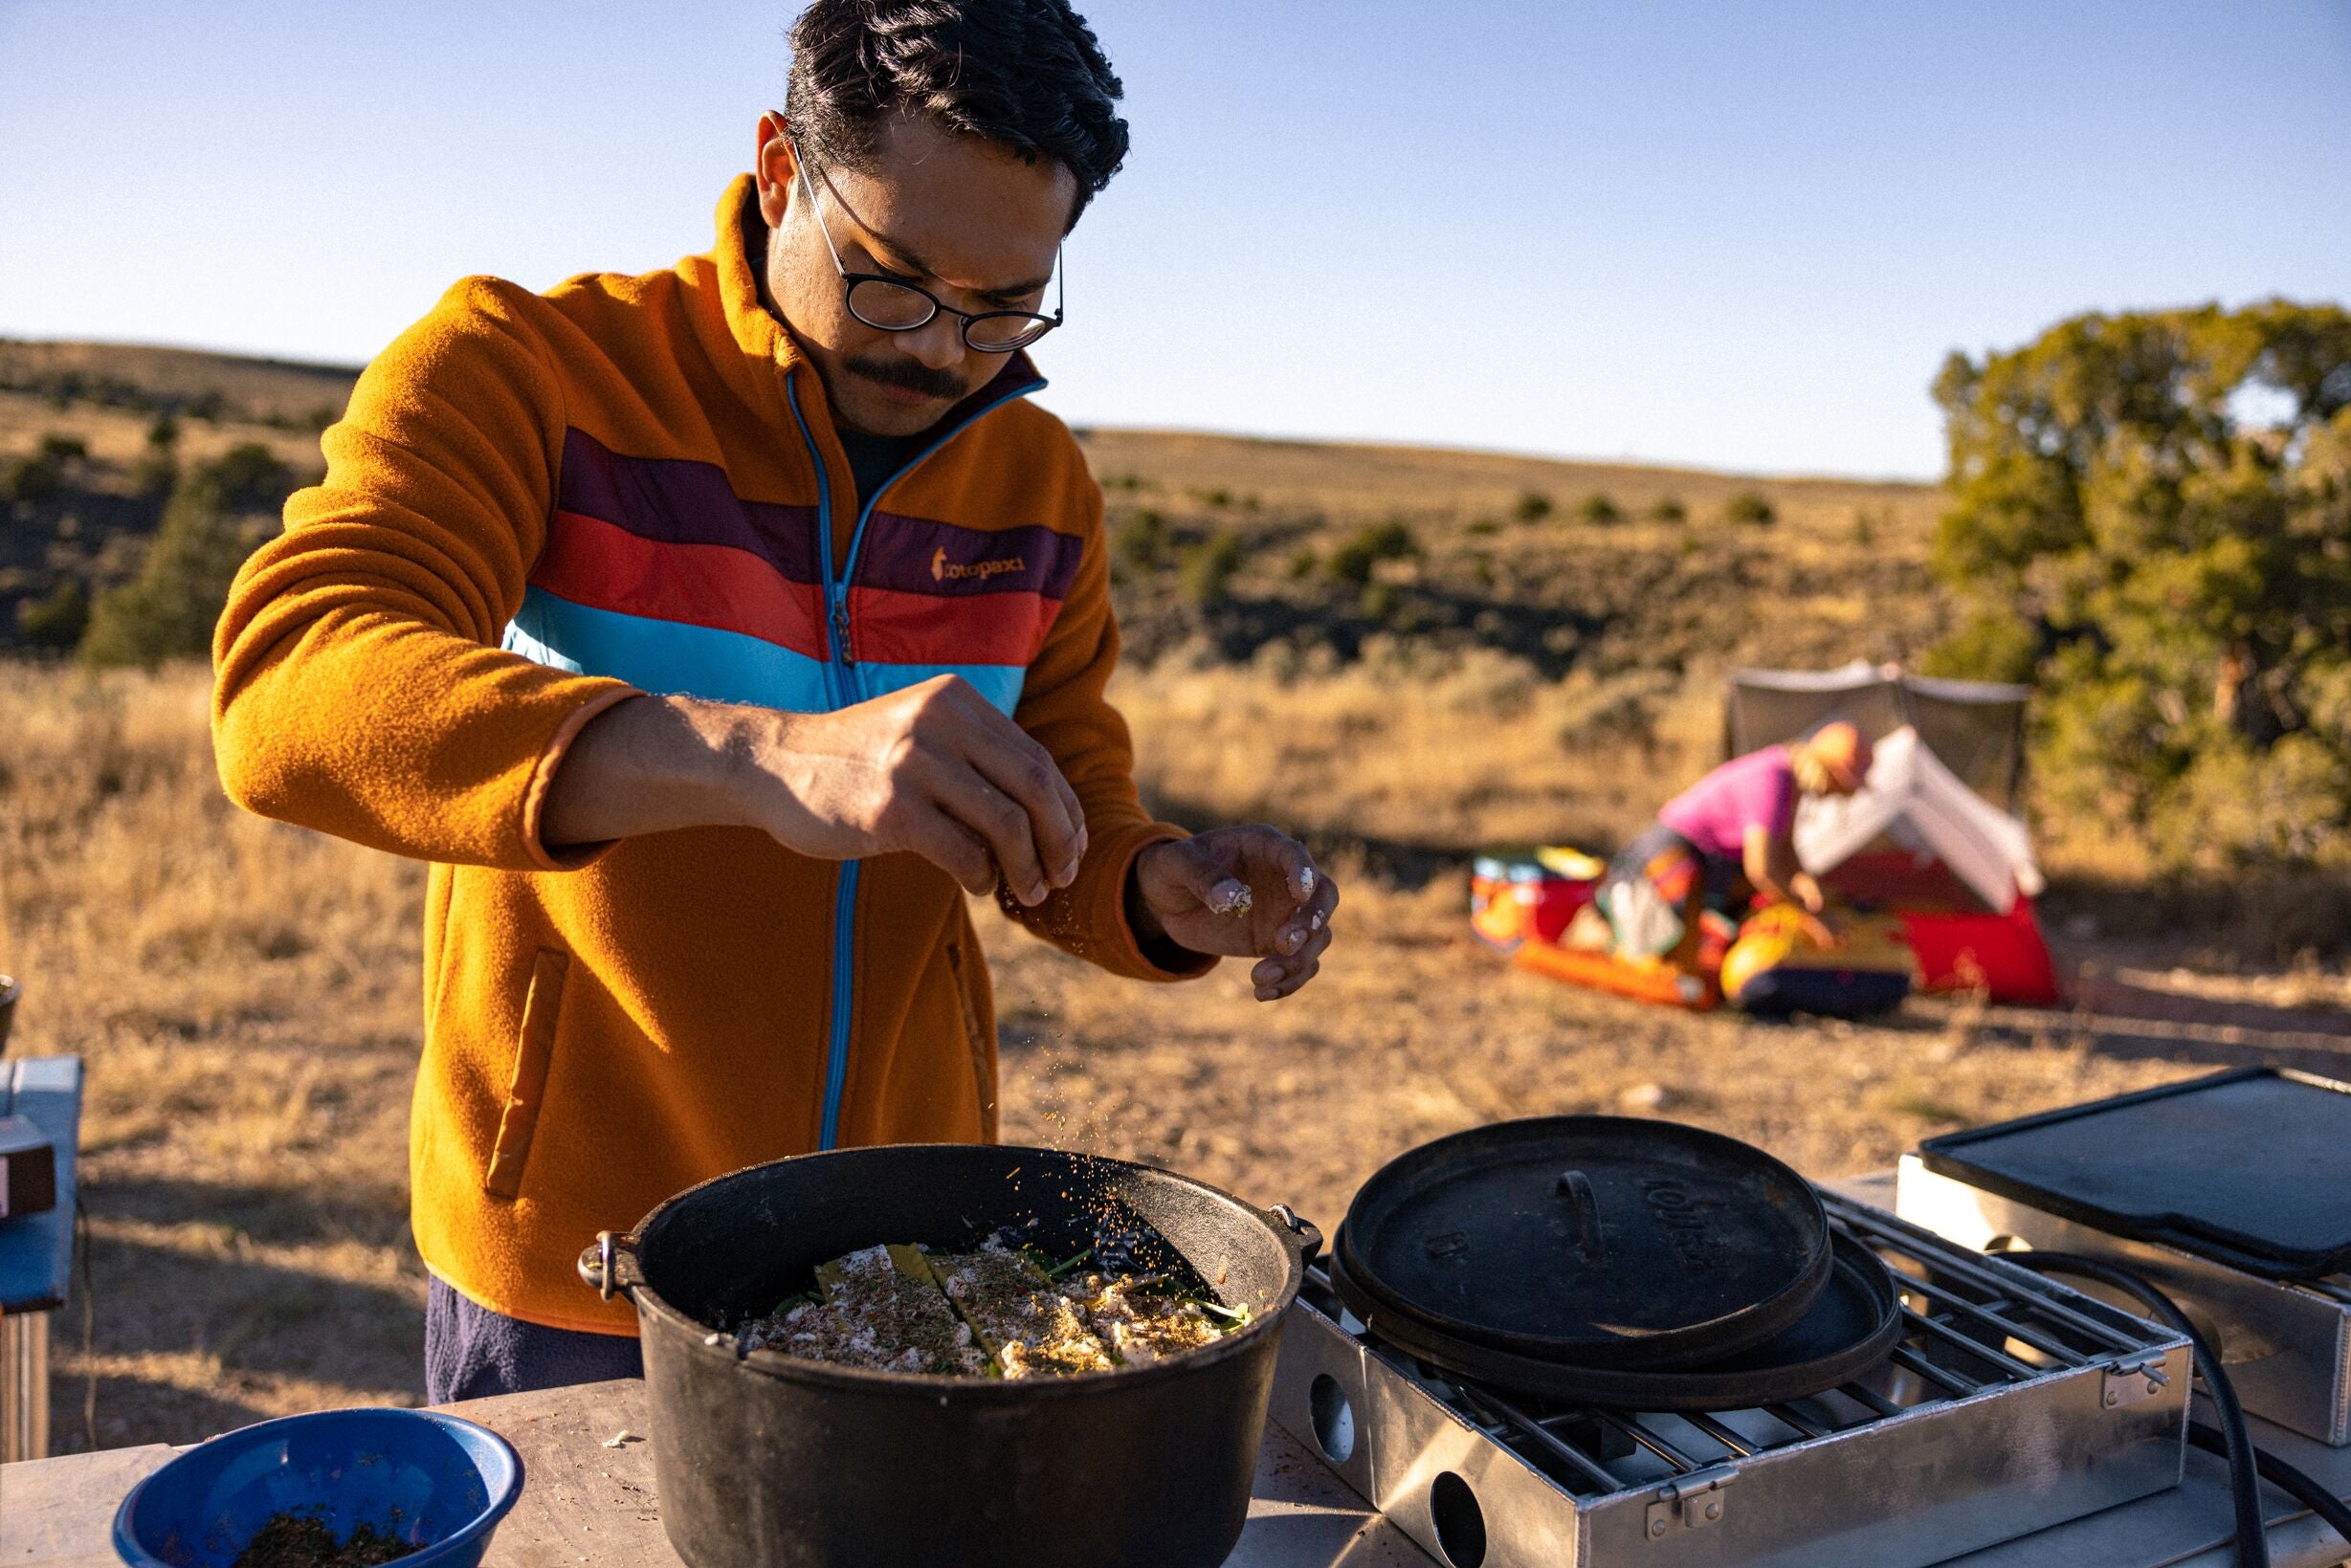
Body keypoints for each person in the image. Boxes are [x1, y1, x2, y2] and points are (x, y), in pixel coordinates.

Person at [210, 0, 1340, 1404]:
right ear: (779, 166)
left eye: (1002, 308)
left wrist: (1152, 881)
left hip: (900, 1239)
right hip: (583, 1254)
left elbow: (1061, 803)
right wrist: (746, 752)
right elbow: (290, 681)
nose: (937, 351)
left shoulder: (1039, 487)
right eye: (892, 279)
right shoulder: (533, 367)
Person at [1596, 721, 1874, 964]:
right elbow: (1762, 868)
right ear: (1827, 770)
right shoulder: (1771, 777)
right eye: (1844, 783)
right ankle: (1615, 941)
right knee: (1672, 957)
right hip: (1668, 856)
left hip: (1710, 860)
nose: (1843, 793)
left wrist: (1804, 881)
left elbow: (1784, 848)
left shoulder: (1789, 778)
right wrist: (1811, 916)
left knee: (1758, 895)